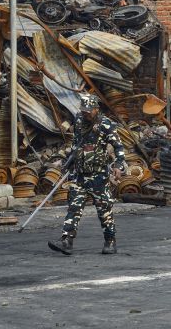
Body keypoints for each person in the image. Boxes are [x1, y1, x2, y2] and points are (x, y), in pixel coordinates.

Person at [48, 93, 125, 256]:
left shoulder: (106, 125)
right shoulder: (79, 121)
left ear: (96, 109)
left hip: (99, 176)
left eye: (88, 110)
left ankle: (110, 241)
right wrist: (70, 160)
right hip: (80, 175)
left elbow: (119, 147)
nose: (85, 113)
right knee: (74, 207)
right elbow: (76, 143)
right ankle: (66, 241)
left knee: (104, 210)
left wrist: (118, 166)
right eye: (83, 110)